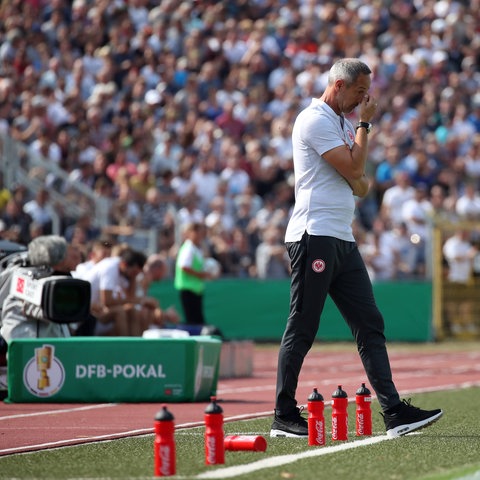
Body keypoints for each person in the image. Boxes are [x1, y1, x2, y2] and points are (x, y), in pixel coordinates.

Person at [271, 58, 442, 439]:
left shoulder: (341, 123)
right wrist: (364, 129)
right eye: (360, 92)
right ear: (338, 85)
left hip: (340, 237)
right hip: (313, 234)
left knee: (370, 323)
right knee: (303, 324)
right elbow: (354, 170)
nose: (365, 100)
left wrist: (355, 157)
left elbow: (362, 183)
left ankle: (394, 411)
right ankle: (283, 412)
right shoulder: (315, 119)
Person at [174, 222, 215, 326]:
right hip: (189, 289)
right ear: (192, 232)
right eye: (199, 232)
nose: (201, 236)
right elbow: (184, 266)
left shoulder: (196, 248)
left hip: (195, 289)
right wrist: (201, 275)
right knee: (193, 321)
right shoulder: (189, 248)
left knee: (197, 320)